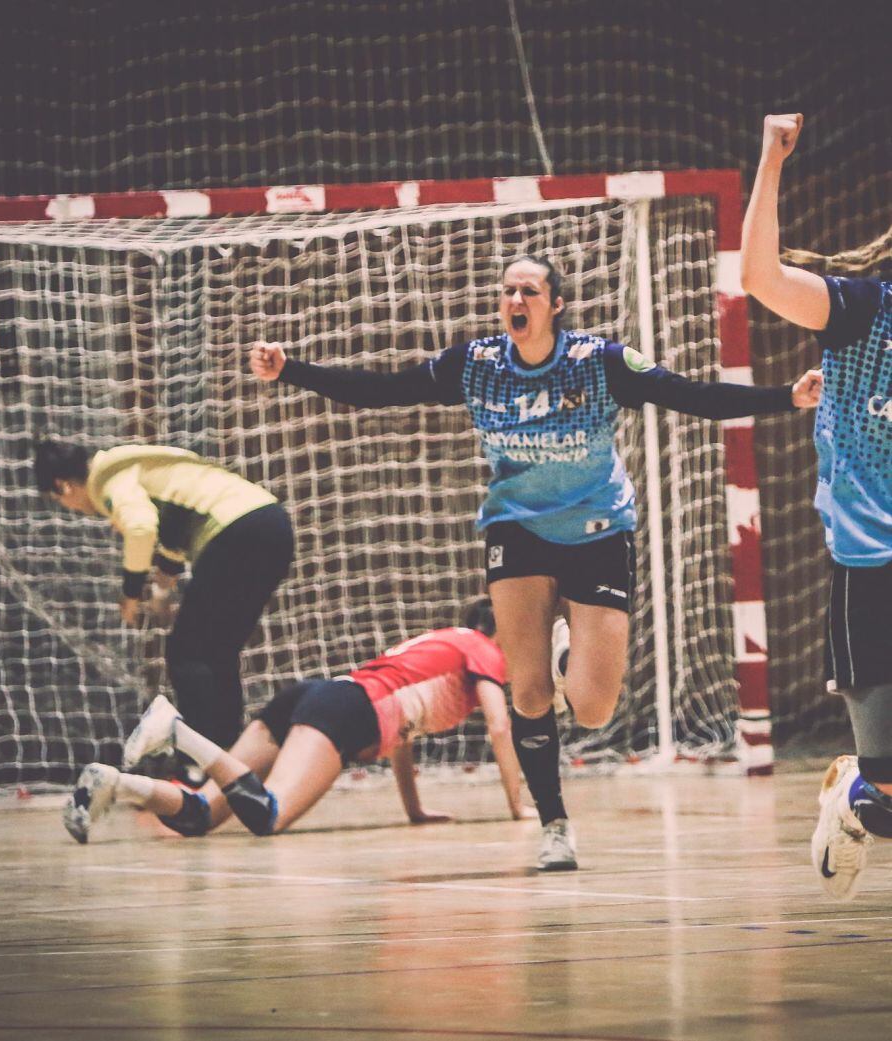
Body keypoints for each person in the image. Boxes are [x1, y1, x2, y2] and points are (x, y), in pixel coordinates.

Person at [249, 255, 822, 870]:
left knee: (595, 707)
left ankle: (567, 649)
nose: (515, 299)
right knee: (526, 693)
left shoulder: (599, 362)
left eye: (529, 290)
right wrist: (293, 371)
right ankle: (554, 825)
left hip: (597, 532)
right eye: (507, 291)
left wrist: (783, 398)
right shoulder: (477, 365)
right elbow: (386, 390)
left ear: (555, 305)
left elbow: (688, 395)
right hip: (516, 532)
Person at [740, 112, 892, 901]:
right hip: (871, 567)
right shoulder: (864, 311)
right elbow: (761, 278)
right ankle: (855, 797)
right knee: (891, 793)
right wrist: (771, 160)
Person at [63, 600, 536, 842]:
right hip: (345, 710)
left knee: (202, 817)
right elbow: (500, 726)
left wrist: (414, 810)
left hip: (320, 696)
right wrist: (519, 808)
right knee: (266, 816)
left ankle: (119, 784)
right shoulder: (485, 650)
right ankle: (176, 730)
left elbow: (402, 737)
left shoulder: (442, 645)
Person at [35, 441, 294, 753]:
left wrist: (131, 593)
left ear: (63, 487)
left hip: (235, 530)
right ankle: (230, 758)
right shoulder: (135, 466)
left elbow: (142, 528)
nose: (72, 508)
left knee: (188, 654)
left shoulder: (107, 478)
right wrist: (162, 586)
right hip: (271, 523)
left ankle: (201, 763)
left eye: (60, 501)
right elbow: (176, 521)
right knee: (216, 653)